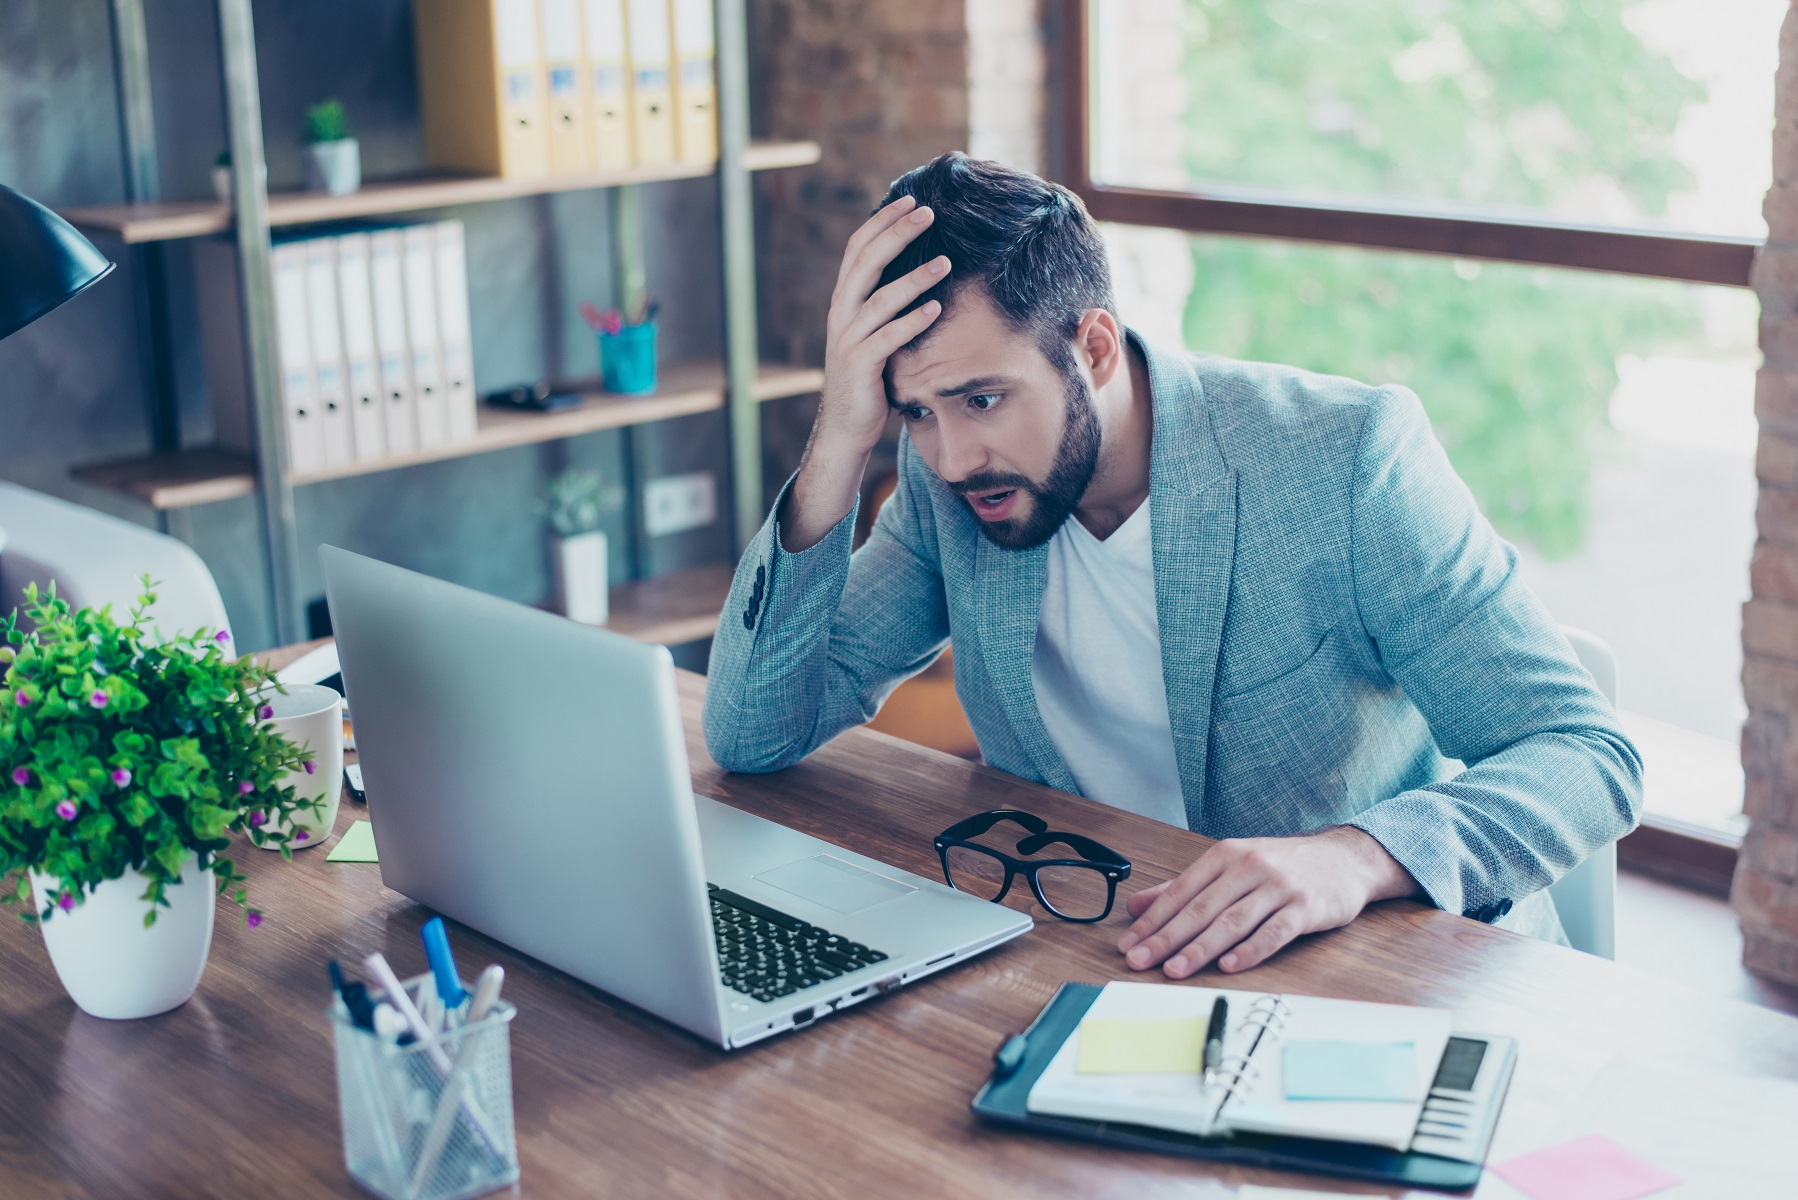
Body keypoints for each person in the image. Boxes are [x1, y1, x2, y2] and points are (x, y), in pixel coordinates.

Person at [702, 152, 1641, 978]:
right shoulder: (950, 479)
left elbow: (1586, 755)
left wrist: (1355, 857)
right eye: (916, 411)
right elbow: (752, 734)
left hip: (1389, 970)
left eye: (982, 399)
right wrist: (839, 437)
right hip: (1102, 947)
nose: (948, 458)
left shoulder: (1344, 461)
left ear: (1094, 348)